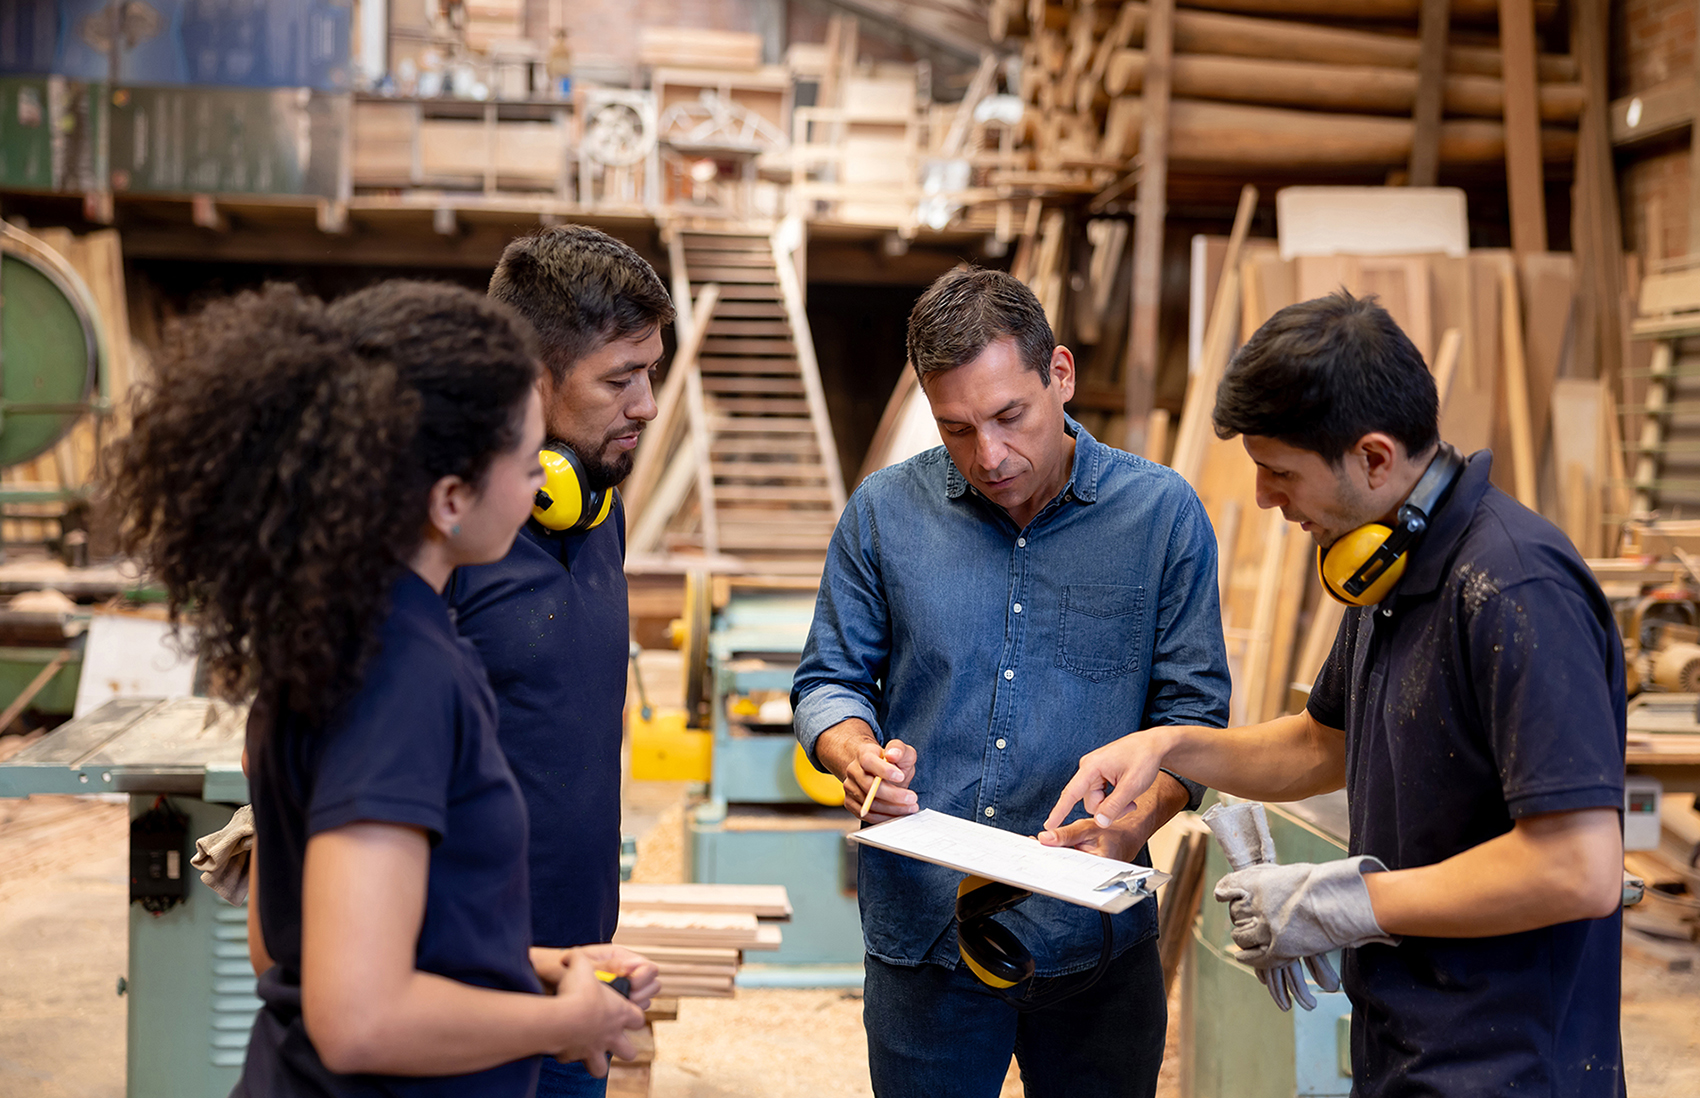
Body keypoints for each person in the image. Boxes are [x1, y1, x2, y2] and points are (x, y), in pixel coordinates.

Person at [1045, 291, 1626, 1096]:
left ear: (1375, 458)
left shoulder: (1514, 588)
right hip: (1413, 1046)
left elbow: (1579, 866)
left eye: (1280, 473)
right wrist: (1170, 744)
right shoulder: (1393, 566)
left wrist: (1351, 902)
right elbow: (1324, 744)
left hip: (1513, 1066)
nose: (1264, 501)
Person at [107, 281, 658, 1097]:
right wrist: (566, 1022)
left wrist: (542, 964)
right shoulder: (400, 677)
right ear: (448, 498)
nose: (543, 478)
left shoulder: (360, 628)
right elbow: (357, 1017)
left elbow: (344, 941)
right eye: (523, 450)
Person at [791, 268, 1230, 1098]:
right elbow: (828, 680)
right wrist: (854, 754)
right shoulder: (884, 512)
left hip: (1094, 942)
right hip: (926, 936)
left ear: (1059, 374)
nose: (988, 456)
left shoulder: (1162, 516)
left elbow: (1193, 719)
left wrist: (1139, 819)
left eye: (1009, 417)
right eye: (956, 428)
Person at [445, 226, 673, 1098]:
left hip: (580, 975)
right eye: (620, 378)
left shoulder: (595, 509)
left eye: (649, 371)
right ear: (531, 379)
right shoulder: (449, 539)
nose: (647, 404)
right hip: (465, 988)